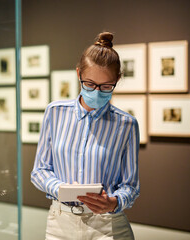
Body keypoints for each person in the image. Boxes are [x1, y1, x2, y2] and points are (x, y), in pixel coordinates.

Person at [31, 31, 140, 240]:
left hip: (108, 226)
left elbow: (131, 185)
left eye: (106, 86)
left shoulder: (126, 124)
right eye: (89, 84)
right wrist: (60, 189)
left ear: (117, 80)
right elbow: (39, 170)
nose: (97, 92)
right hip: (60, 223)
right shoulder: (55, 112)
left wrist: (114, 202)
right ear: (79, 74)